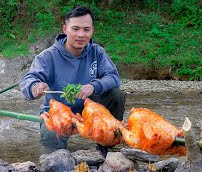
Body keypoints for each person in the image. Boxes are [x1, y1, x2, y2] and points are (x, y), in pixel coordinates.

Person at [20, 6, 125, 156]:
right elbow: (28, 78)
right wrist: (35, 86)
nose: (81, 35)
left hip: (90, 109)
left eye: (86, 29)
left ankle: (106, 146)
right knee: (52, 142)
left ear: (92, 31)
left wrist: (93, 86)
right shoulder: (48, 56)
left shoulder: (97, 52)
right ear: (65, 29)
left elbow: (114, 77)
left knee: (116, 95)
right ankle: (59, 156)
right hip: (60, 111)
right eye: (75, 29)